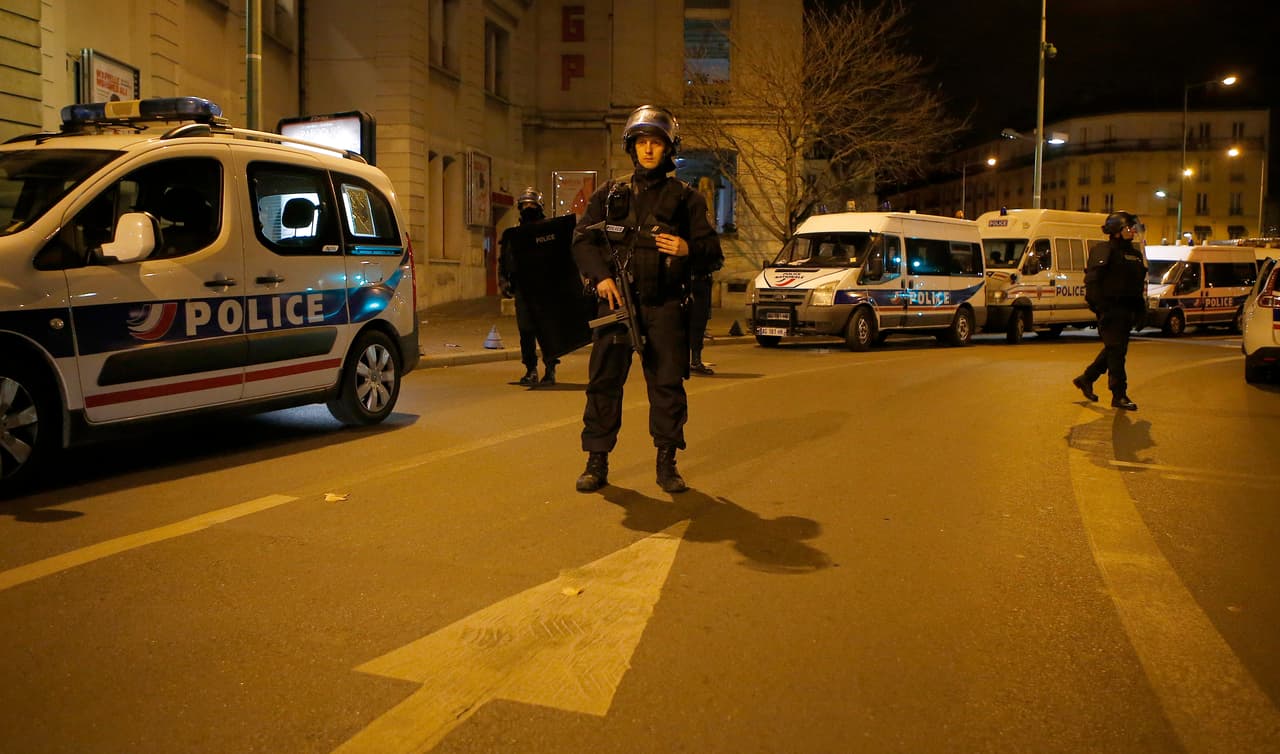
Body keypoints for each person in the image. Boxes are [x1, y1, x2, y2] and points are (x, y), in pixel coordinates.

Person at [571, 104, 723, 493]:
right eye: (642, 143)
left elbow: (713, 253)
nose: (649, 150)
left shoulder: (686, 199)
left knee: (667, 387)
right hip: (617, 305)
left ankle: (667, 462)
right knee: (604, 383)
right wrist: (601, 277)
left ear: (668, 149)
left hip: (665, 306)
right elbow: (583, 238)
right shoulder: (610, 194)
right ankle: (597, 460)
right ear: (632, 147)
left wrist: (688, 248)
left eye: (656, 143)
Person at [1072, 210, 1147, 410]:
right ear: (1116, 231)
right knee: (1117, 352)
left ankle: (1086, 378)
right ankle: (1118, 394)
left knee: (1115, 349)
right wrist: (1101, 308)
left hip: (1127, 311)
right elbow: (1093, 283)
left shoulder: (1134, 254)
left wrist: (1141, 311)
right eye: (1128, 228)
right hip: (1111, 310)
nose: (1132, 231)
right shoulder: (1104, 251)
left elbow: (1137, 286)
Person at [499, 187, 560, 386]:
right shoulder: (514, 234)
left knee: (546, 330)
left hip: (545, 288)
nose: (528, 208)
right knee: (526, 331)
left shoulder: (548, 230)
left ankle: (550, 369)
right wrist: (504, 280)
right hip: (523, 289)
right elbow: (505, 259)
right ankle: (531, 369)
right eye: (524, 205)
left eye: (531, 205)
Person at [689, 269, 716, 375]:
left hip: (702, 283)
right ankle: (693, 362)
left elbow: (717, 260)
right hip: (691, 283)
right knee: (694, 324)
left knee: (699, 324)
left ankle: (695, 361)